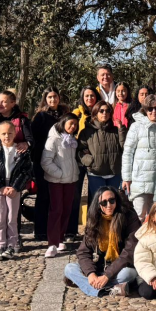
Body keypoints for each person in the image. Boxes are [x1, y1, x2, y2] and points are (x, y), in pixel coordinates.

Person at [0, 90, 34, 249]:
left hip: (14, 171)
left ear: (12, 103)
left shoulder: (22, 120)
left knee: (12, 210)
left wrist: (27, 144)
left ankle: (14, 238)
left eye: (3, 101)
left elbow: (31, 140)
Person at [66, 187, 142, 297]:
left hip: (119, 268)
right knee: (69, 268)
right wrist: (91, 274)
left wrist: (107, 275)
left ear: (116, 200)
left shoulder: (129, 217)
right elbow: (83, 252)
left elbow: (129, 252)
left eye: (112, 200)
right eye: (104, 202)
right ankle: (108, 289)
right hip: (99, 267)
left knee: (128, 274)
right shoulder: (94, 220)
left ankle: (91, 286)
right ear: (98, 204)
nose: (109, 205)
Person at [0, 121, 33, 261]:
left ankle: (11, 245)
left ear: (15, 133)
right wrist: (0, 187)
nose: (7, 136)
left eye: (10, 133)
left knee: (12, 218)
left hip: (13, 188)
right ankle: (1, 246)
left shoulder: (21, 151)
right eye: (4, 133)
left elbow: (26, 171)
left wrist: (16, 187)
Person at [121, 95, 156, 219]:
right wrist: (126, 178)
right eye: (150, 109)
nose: (154, 111)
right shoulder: (136, 127)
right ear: (145, 109)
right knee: (139, 216)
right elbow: (127, 153)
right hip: (140, 180)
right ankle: (135, 239)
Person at [30, 87, 67, 241]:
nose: (53, 100)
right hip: (44, 160)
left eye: (55, 97)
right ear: (45, 99)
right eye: (49, 97)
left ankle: (58, 230)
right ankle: (40, 230)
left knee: (59, 197)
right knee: (44, 196)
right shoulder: (40, 117)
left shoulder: (64, 115)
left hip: (62, 160)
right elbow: (34, 139)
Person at [42, 114, 82, 255]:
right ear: (63, 122)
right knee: (56, 210)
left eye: (75, 125)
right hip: (56, 181)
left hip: (70, 181)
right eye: (70, 123)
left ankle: (60, 239)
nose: (73, 127)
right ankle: (52, 243)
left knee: (66, 210)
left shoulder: (72, 140)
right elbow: (46, 161)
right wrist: (59, 174)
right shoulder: (53, 139)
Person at [64, 87, 97, 245]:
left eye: (92, 95)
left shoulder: (100, 112)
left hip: (94, 160)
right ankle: (70, 230)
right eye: (86, 96)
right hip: (77, 159)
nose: (89, 98)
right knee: (75, 194)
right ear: (82, 98)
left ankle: (91, 230)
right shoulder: (77, 113)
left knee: (93, 196)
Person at [79, 101, 125, 205]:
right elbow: (80, 152)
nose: (105, 113)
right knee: (99, 204)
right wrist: (91, 161)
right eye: (101, 111)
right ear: (95, 113)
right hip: (96, 173)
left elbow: (124, 148)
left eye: (108, 111)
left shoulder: (116, 130)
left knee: (112, 205)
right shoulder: (86, 132)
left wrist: (121, 130)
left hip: (114, 173)